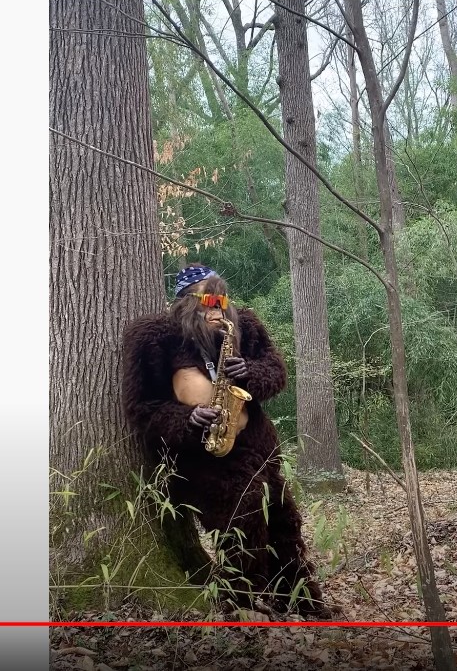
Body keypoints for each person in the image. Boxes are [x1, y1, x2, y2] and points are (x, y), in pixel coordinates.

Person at [120, 264, 329, 617]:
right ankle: (241, 603)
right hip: (201, 454)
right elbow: (141, 409)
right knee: (242, 517)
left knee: (284, 519)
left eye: (221, 299)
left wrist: (249, 372)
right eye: (208, 300)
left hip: (257, 448)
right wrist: (187, 419)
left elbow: (276, 372)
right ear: (186, 302)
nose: (217, 308)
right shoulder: (156, 338)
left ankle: (297, 598)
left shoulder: (244, 327)